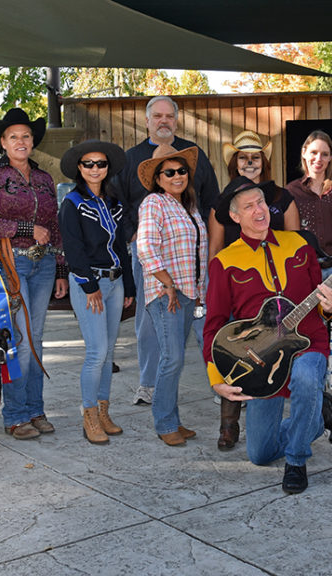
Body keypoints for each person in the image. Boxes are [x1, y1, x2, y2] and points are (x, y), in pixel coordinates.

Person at [204, 182, 332, 494]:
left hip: (308, 343)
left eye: (261, 202)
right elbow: (213, 326)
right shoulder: (224, 262)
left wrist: (330, 308)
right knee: (260, 454)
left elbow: (320, 302)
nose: (259, 210)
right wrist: (216, 377)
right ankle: (317, 417)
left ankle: (296, 460)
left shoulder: (300, 244)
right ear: (236, 217)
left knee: (307, 378)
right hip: (261, 360)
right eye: (249, 206)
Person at [116, 96, 219, 406]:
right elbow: (117, 204)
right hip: (151, 257)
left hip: (194, 256)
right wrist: (133, 237)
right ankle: (148, 384)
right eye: (157, 116)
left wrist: (213, 251)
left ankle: (218, 383)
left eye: (169, 116)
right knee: (149, 323)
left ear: (176, 120)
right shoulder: (131, 159)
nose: (163, 121)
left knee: (205, 319)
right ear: (147, 121)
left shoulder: (195, 156)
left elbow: (212, 202)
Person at [0, 108, 68, 440]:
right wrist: (28, 227)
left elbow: (54, 226)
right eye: (13, 136)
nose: (21, 141)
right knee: (19, 341)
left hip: (43, 265)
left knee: (37, 339)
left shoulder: (44, 179)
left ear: (33, 141)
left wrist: (59, 268)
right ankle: (15, 415)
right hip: (10, 264)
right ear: (3, 142)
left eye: (26, 136)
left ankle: (35, 409)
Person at [211, 130, 300, 451]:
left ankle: (308, 411)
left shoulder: (281, 198)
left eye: (256, 157)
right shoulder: (223, 202)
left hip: (279, 295)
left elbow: (297, 244)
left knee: (279, 355)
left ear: (264, 161)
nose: (250, 163)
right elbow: (215, 249)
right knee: (233, 354)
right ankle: (228, 426)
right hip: (238, 290)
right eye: (243, 158)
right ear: (235, 163)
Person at [58, 140, 134, 445]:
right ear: (79, 168)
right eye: (88, 164)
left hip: (115, 283)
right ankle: (89, 415)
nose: (94, 169)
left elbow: (122, 248)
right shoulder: (72, 203)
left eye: (100, 164)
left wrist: (128, 285)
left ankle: (104, 411)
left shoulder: (114, 203)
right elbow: (72, 248)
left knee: (108, 353)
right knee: (96, 352)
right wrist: (89, 287)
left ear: (107, 168)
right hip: (90, 284)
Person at [135, 145, 209, 447]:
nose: (177, 176)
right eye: (170, 172)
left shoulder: (189, 206)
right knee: (172, 358)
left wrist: (201, 292)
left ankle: (173, 419)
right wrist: (167, 282)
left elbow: (198, 253)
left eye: (182, 171)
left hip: (191, 294)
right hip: (168, 294)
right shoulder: (154, 203)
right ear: (158, 178)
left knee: (177, 360)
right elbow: (145, 248)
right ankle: (164, 422)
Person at [287, 130, 332, 443]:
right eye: (313, 153)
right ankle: (320, 399)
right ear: (304, 155)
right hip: (308, 274)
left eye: (325, 154)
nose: (318, 159)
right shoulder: (290, 192)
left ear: (331, 158)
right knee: (312, 341)